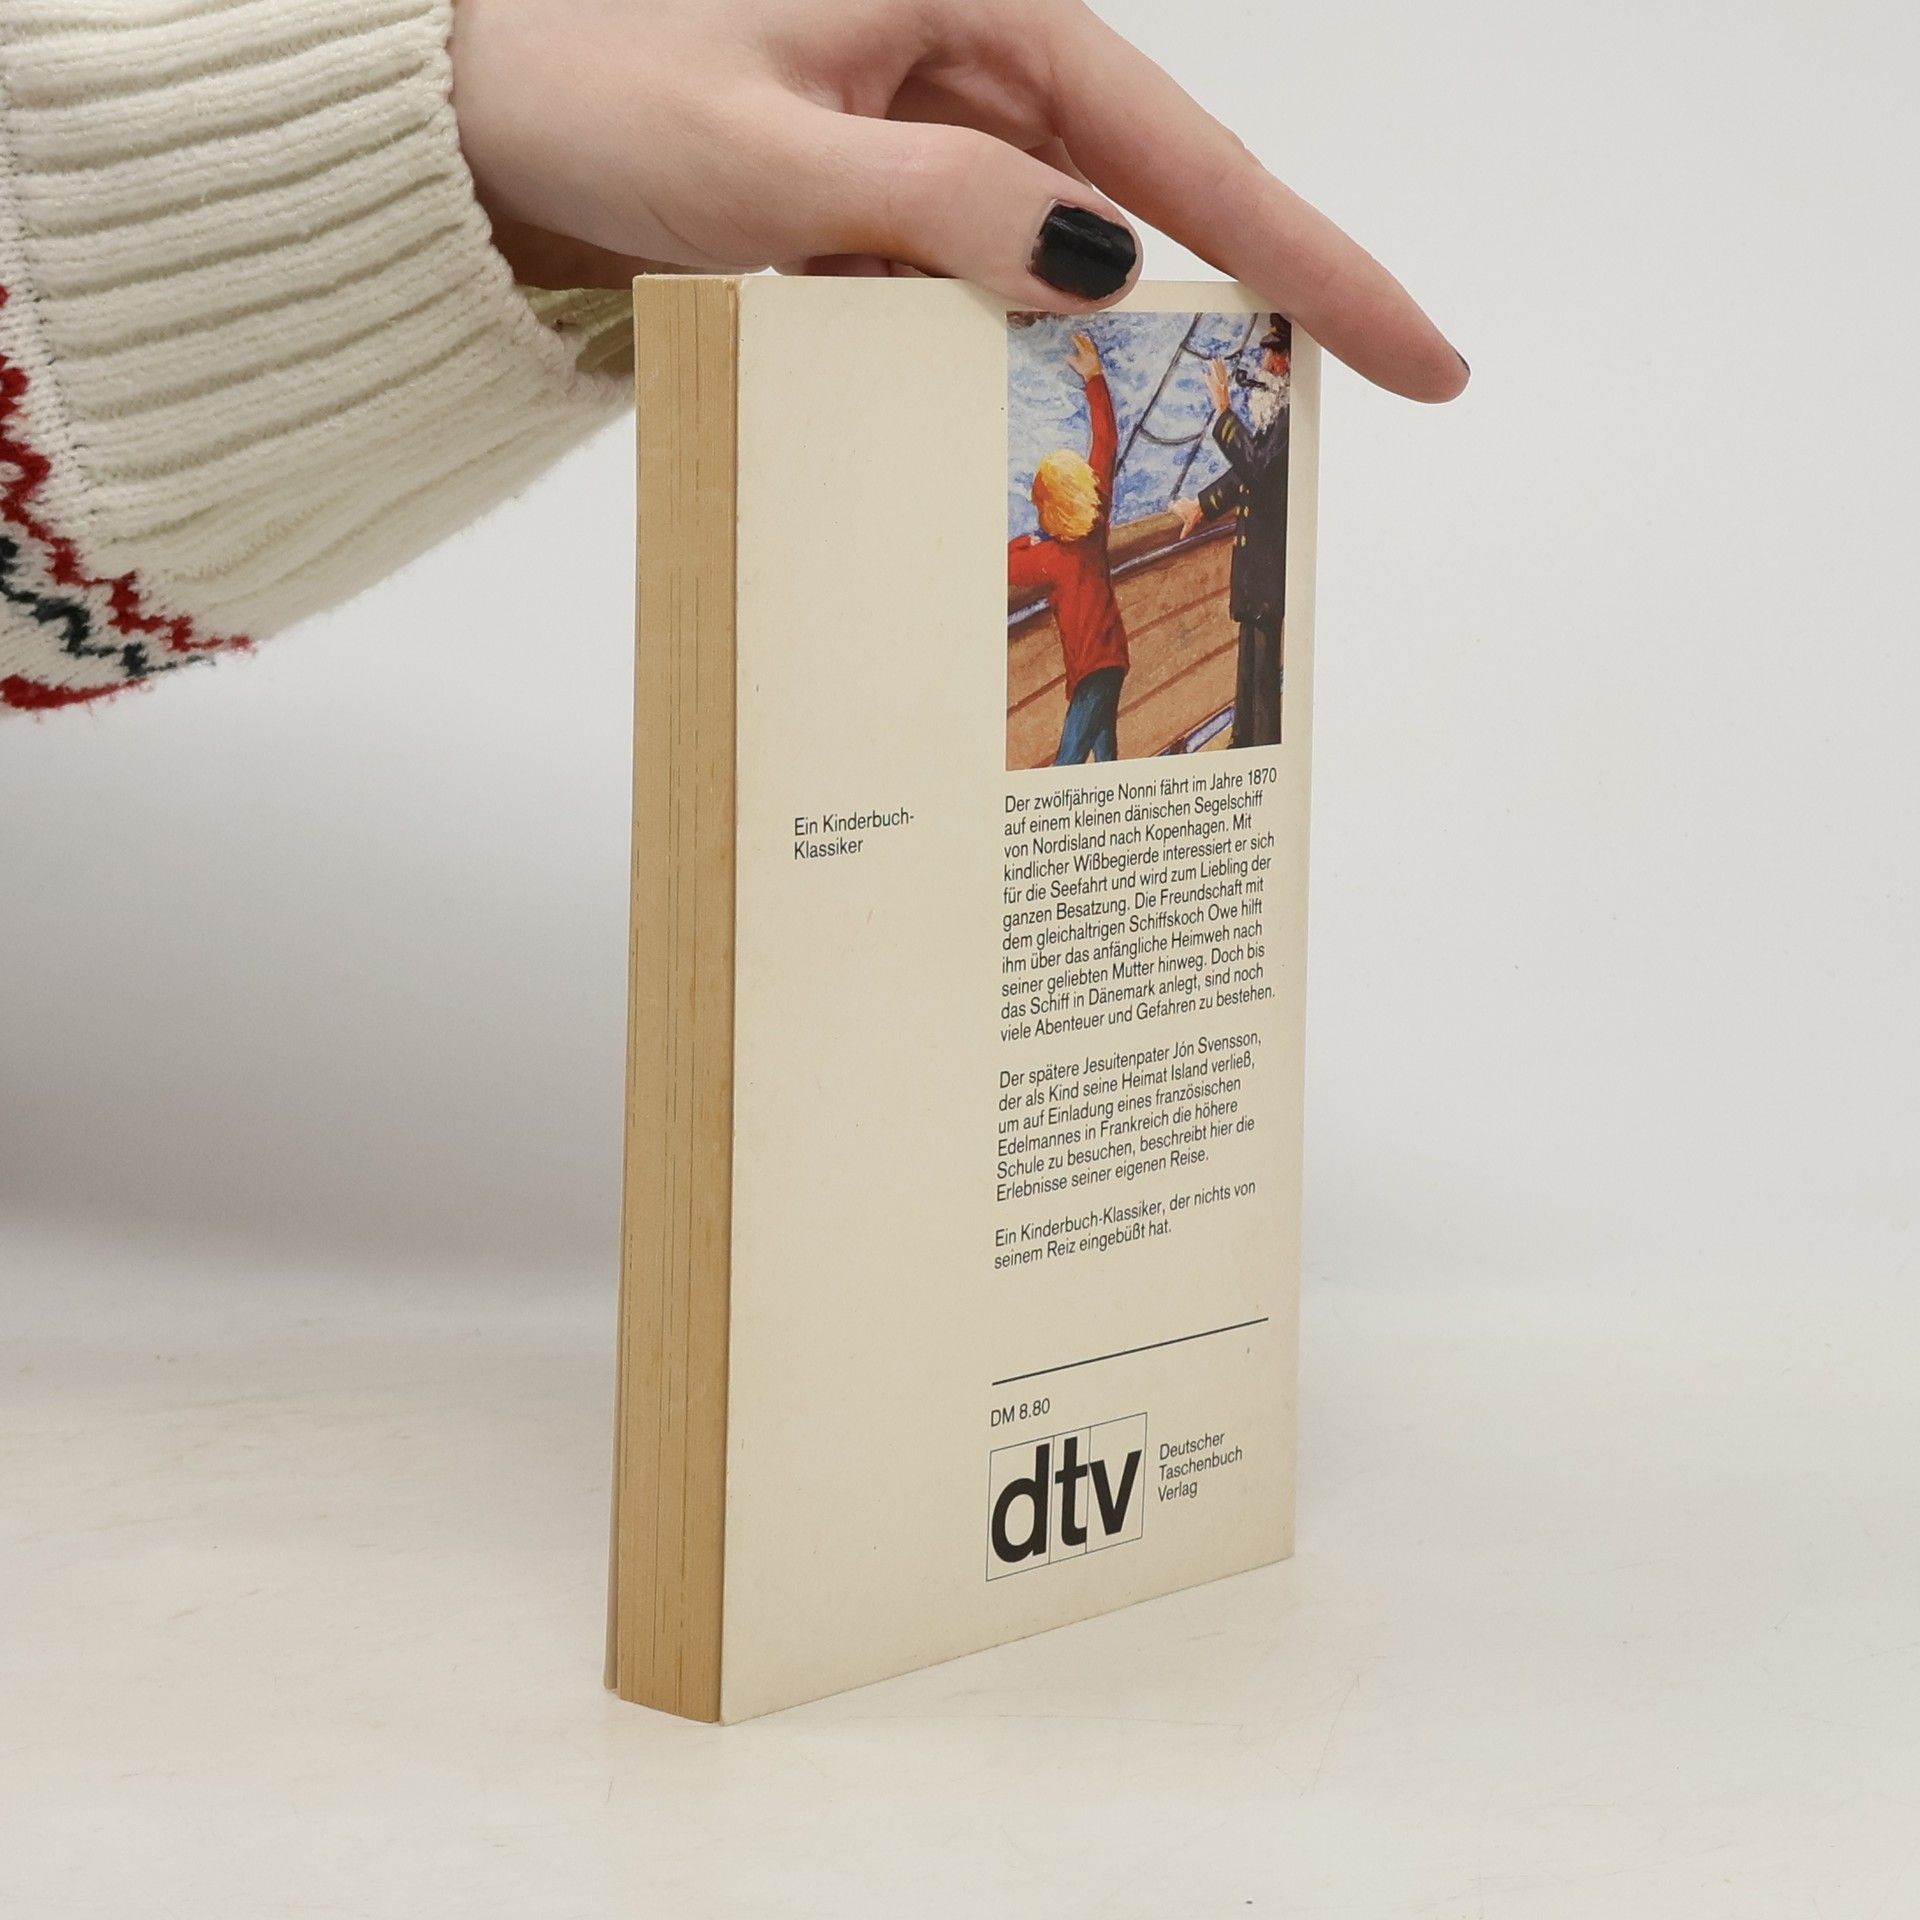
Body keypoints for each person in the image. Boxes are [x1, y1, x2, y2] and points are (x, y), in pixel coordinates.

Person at [0, 0, 1467, 714]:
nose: (1069, 496)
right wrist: (451, 135)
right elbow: (1072, 471)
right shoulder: (1062, 546)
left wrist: (488, 173)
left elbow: (1081, 460)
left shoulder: (1064, 546)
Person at [1008, 332, 1129, 763]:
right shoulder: (1096, 518)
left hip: (1090, 674)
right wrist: (1095, 378)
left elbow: (1006, 566)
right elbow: (1106, 444)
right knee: (1106, 752)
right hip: (1113, 660)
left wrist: (1026, 540)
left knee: (1068, 763)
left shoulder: (1052, 558)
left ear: (1051, 510)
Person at [1175, 316, 1293, 746]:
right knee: (1252, 666)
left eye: (1272, 356)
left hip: (1268, 563)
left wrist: (1224, 412)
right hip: (1258, 570)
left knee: (1262, 673)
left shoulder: (1291, 420)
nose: (1265, 365)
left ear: (1286, 362)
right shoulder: (1278, 417)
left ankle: (1257, 745)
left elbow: (1257, 468)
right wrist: (1203, 506)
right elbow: (1248, 470)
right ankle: (1245, 740)